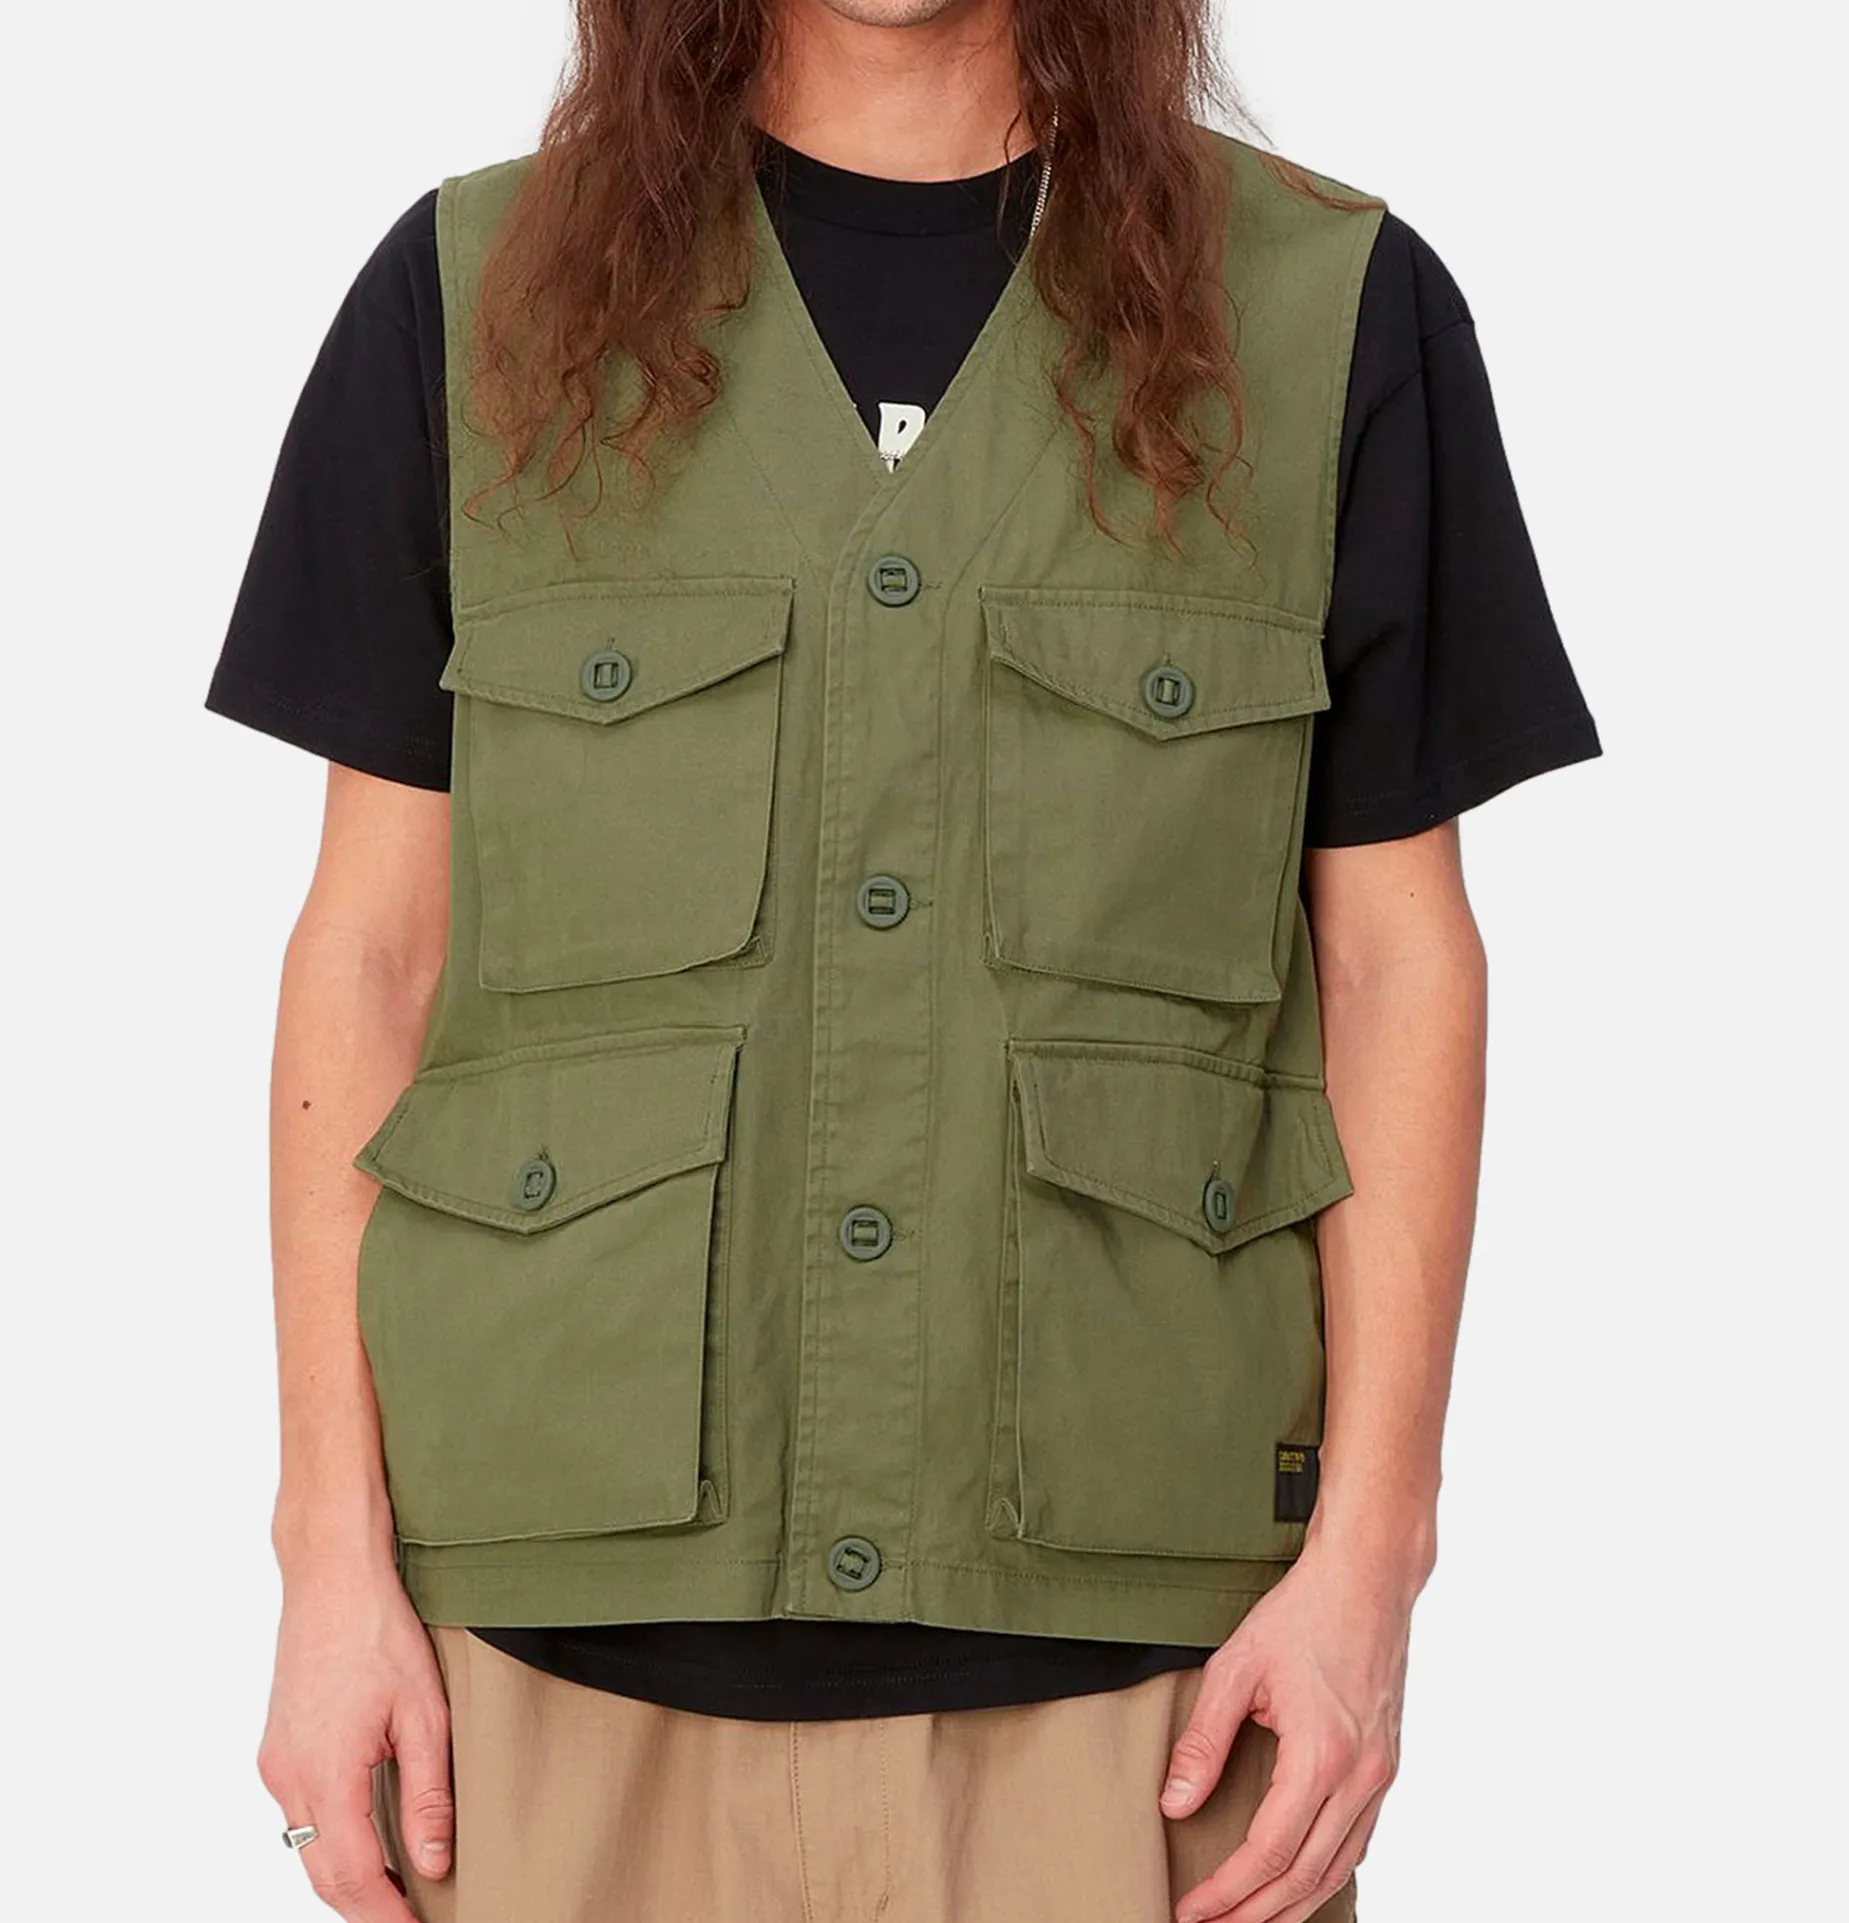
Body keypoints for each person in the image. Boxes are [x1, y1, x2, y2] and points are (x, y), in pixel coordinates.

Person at [205, 0, 1600, 1917]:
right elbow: (369, 953)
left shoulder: (1333, 310)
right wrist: (327, 1563)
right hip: (535, 1664)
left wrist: (1375, 1560)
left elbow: (1396, 967)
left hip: (1145, 1680)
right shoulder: (469, 298)